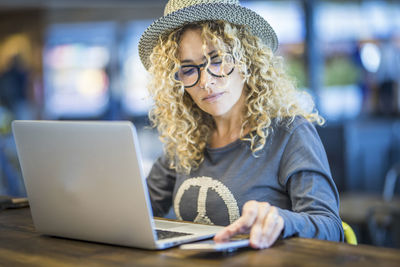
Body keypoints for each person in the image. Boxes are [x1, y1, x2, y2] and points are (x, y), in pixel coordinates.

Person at [138, 0, 344, 249]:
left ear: (247, 58)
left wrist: (282, 220)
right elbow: (139, 209)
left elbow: (331, 228)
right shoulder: (186, 137)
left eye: (217, 59)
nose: (205, 81)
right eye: (189, 69)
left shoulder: (289, 133)